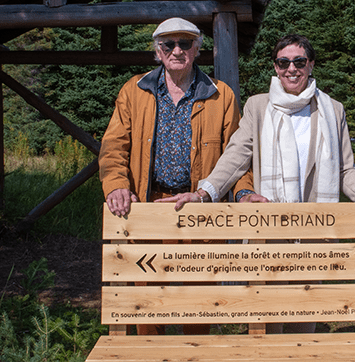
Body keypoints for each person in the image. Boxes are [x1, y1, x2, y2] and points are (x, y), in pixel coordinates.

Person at [158, 34, 355, 333]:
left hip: (316, 229)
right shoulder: (258, 106)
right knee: (268, 322)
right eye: (283, 62)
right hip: (271, 231)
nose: (291, 69)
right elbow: (235, 156)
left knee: (306, 318)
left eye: (299, 61)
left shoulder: (333, 110)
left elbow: (345, 169)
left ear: (311, 65)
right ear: (275, 68)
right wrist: (202, 193)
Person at [98, 17, 253, 335]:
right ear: (157, 52)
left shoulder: (220, 96)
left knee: (199, 295)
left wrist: (243, 193)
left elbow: (237, 158)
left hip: (201, 208)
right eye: (169, 44)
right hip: (149, 204)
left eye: (185, 43)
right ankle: (149, 353)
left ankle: (194, 355)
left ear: (197, 49)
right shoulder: (134, 91)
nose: (177, 50)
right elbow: (114, 147)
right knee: (146, 291)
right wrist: (116, 186)